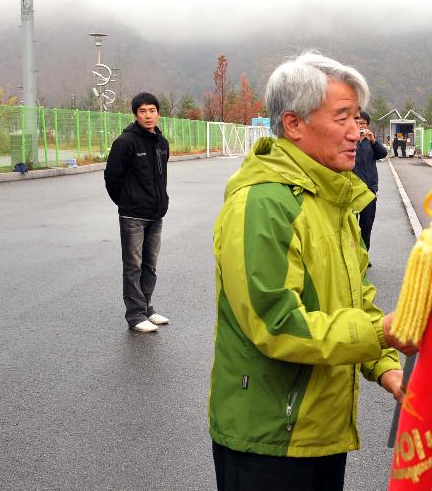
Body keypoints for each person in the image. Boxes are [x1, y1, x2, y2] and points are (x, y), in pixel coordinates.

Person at [209, 52, 412, 491]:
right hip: (269, 438)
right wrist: (382, 333)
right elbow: (277, 324)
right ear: (294, 124)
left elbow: (358, 301)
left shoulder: (332, 198)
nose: (357, 132)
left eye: (358, 118)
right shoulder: (263, 203)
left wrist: (387, 367)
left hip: (320, 432)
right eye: (342, 117)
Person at [103, 92, 171, 333]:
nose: (148, 115)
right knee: (133, 265)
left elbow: (161, 178)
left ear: (158, 113)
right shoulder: (126, 142)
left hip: (156, 214)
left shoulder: (162, 143)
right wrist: (126, 202)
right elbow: (111, 177)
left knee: (150, 265)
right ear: (135, 115)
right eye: (142, 111)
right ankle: (135, 315)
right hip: (133, 215)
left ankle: (146, 308)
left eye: (152, 110)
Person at [352, 111, 388, 258]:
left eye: (364, 124)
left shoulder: (370, 142)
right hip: (352, 191)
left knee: (366, 226)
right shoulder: (347, 140)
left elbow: (382, 154)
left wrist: (373, 140)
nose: (361, 126)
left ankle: (364, 255)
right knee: (352, 227)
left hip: (369, 191)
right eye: (358, 123)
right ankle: (352, 256)